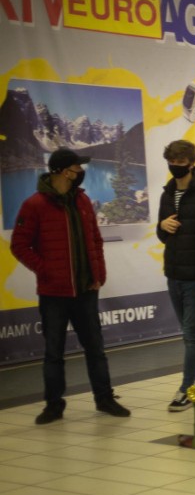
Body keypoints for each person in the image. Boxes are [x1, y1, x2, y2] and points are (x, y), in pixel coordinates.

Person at [11, 148, 131, 424]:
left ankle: (105, 398)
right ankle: (53, 405)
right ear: (64, 171)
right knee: (54, 352)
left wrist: (99, 272)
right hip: (54, 294)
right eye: (77, 167)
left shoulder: (83, 201)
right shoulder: (34, 205)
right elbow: (19, 245)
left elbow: (96, 240)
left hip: (87, 290)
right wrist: (46, 270)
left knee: (95, 349)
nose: (81, 171)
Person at [156, 140, 195, 411]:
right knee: (190, 332)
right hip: (173, 273)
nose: (176, 167)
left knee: (191, 335)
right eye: (172, 162)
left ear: (191, 163)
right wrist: (162, 225)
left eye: (181, 163)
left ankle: (186, 389)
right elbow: (163, 235)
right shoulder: (167, 194)